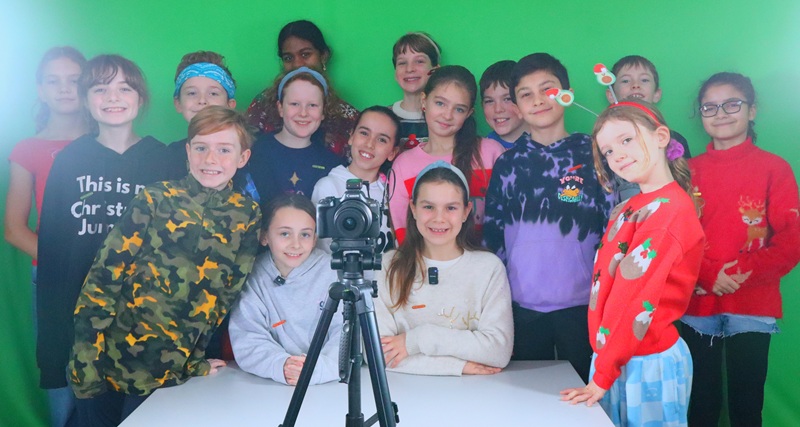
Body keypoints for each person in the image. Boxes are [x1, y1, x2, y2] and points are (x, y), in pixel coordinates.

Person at [68, 106, 261, 426]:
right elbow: (104, 277)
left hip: (175, 373)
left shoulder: (247, 215)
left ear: (243, 158)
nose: (210, 159)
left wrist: (195, 362)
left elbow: (224, 296)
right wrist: (85, 362)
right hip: (112, 363)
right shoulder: (155, 199)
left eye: (224, 150)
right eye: (201, 147)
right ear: (187, 151)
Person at [35, 54, 170, 427]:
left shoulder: (166, 161)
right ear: (85, 98)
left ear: (140, 97)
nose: (113, 97)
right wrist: (53, 349)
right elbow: (52, 252)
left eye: (124, 88)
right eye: (100, 88)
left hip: (147, 325)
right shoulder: (69, 161)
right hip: (85, 328)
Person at [560, 101, 704, 427]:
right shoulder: (633, 205)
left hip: (646, 363)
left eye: (626, 140)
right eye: (608, 151)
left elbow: (635, 298)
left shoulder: (668, 212)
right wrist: (605, 364)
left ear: (661, 137)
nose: (618, 155)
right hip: (618, 357)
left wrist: (603, 374)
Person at [482, 53, 614, 383]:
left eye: (548, 89)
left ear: (568, 93)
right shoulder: (507, 164)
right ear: (516, 105)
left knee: (585, 395)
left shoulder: (594, 154)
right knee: (527, 394)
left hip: (583, 307)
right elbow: (493, 235)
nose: (538, 100)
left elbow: (612, 228)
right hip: (521, 308)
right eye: (526, 94)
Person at [680, 72, 800, 427]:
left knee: (747, 406)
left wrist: (737, 274)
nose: (720, 113)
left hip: (752, 305)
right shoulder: (686, 172)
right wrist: (707, 274)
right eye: (710, 107)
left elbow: (792, 239)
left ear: (752, 110)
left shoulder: (774, 168)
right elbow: (675, 237)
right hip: (697, 304)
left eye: (731, 104)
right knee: (701, 403)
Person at [5, 45, 87, 427]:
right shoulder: (28, 149)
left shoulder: (108, 144)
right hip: (53, 279)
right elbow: (14, 229)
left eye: (74, 80)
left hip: (109, 279)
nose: (65, 88)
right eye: (54, 81)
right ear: (40, 90)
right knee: (61, 372)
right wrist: (66, 265)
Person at [376, 161, 513, 375]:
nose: (439, 218)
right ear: (413, 209)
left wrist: (416, 340)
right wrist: (458, 366)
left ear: (466, 211)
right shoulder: (389, 266)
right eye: (428, 207)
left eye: (451, 208)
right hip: (403, 390)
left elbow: (498, 351)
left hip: (476, 391)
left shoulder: (488, 268)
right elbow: (378, 353)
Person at [229, 194, 342, 386]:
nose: (295, 244)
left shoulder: (332, 271)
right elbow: (247, 337)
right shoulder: (252, 274)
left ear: (315, 238)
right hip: (271, 385)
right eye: (284, 234)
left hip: (330, 383)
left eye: (305, 234)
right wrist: (282, 365)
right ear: (264, 236)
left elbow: (346, 332)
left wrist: (319, 368)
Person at [389, 65, 504, 245]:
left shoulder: (491, 153)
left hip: (486, 260)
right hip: (424, 261)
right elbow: (404, 235)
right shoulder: (404, 164)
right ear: (424, 101)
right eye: (440, 103)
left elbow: (508, 222)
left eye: (459, 109)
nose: (447, 115)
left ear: (469, 113)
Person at [246, 19, 358, 157]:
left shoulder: (346, 117)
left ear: (323, 56)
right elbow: (243, 152)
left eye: (305, 54)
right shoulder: (263, 104)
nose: (297, 64)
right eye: (288, 58)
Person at [239, 67, 342, 212]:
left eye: (312, 105)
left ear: (323, 111)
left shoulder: (333, 164)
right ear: (280, 108)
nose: (303, 113)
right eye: (294, 104)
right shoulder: (253, 151)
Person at [312, 105, 401, 254]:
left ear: (392, 152)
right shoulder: (328, 187)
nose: (369, 144)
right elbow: (320, 249)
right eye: (364, 133)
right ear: (351, 136)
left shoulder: (393, 193)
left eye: (382, 139)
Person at [606, 55, 691, 202]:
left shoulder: (675, 139)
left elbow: (686, 188)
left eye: (644, 80)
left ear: (657, 94)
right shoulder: (604, 142)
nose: (635, 85)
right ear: (611, 95)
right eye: (625, 81)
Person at [165, 51, 237, 180]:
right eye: (192, 93)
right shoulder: (169, 155)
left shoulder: (247, 154)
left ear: (230, 105)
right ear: (178, 103)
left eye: (213, 93)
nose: (202, 100)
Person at [389, 32, 441, 150]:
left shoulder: (445, 118)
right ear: (396, 72)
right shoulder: (384, 117)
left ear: (436, 70)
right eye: (402, 63)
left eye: (419, 61)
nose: (409, 69)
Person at [479, 60, 525, 149]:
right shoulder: (482, 151)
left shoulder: (546, 143)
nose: (498, 109)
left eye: (507, 99)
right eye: (489, 101)